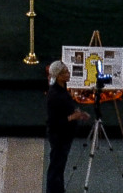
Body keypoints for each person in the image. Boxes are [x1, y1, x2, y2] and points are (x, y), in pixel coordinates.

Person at [42, 60, 90, 193]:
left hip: (65, 135)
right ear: (58, 76)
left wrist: (78, 113)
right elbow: (54, 122)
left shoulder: (62, 89)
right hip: (59, 136)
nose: (69, 74)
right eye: (65, 72)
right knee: (56, 167)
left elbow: (66, 108)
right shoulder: (54, 95)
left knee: (60, 167)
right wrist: (72, 117)